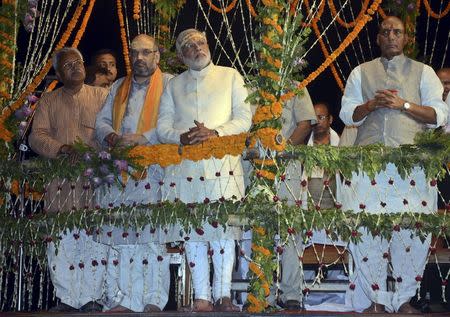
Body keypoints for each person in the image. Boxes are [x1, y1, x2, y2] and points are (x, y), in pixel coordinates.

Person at [339, 16, 448, 313]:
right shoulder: (361, 72)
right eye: (385, 31)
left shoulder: (424, 73)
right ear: (377, 38)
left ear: (405, 38)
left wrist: (404, 106)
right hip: (368, 167)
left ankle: (402, 300)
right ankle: (374, 299)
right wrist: (370, 106)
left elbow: (440, 115)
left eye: (396, 32)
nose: (390, 36)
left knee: (410, 233)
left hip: (411, 167)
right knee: (368, 232)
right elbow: (347, 114)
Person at [156, 28, 252, 312]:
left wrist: (216, 133)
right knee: (193, 230)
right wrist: (181, 137)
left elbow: (245, 118)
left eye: (201, 42)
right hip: (186, 168)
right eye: (189, 46)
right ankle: (202, 296)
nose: (197, 47)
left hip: (224, 165)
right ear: (181, 55)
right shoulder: (173, 85)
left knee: (224, 231)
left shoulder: (230, 75)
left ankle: (223, 295)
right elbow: (163, 127)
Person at [95, 34, 173, 313]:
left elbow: (174, 125)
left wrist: (143, 139)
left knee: (152, 236)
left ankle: (153, 299)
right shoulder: (119, 86)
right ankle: (123, 298)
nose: (138, 58)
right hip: (120, 170)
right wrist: (112, 137)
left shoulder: (170, 84)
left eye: (145, 52)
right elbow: (101, 122)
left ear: (157, 57)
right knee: (121, 234)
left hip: (154, 170)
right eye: (134, 53)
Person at [28, 47, 108, 312]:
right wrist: (62, 148)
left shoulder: (101, 96)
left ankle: (92, 298)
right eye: (68, 65)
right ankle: (67, 299)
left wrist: (94, 153)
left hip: (94, 181)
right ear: (59, 74)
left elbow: (111, 131)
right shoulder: (49, 101)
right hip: (60, 182)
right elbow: (36, 136)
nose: (76, 66)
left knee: (94, 237)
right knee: (61, 239)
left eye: (79, 62)